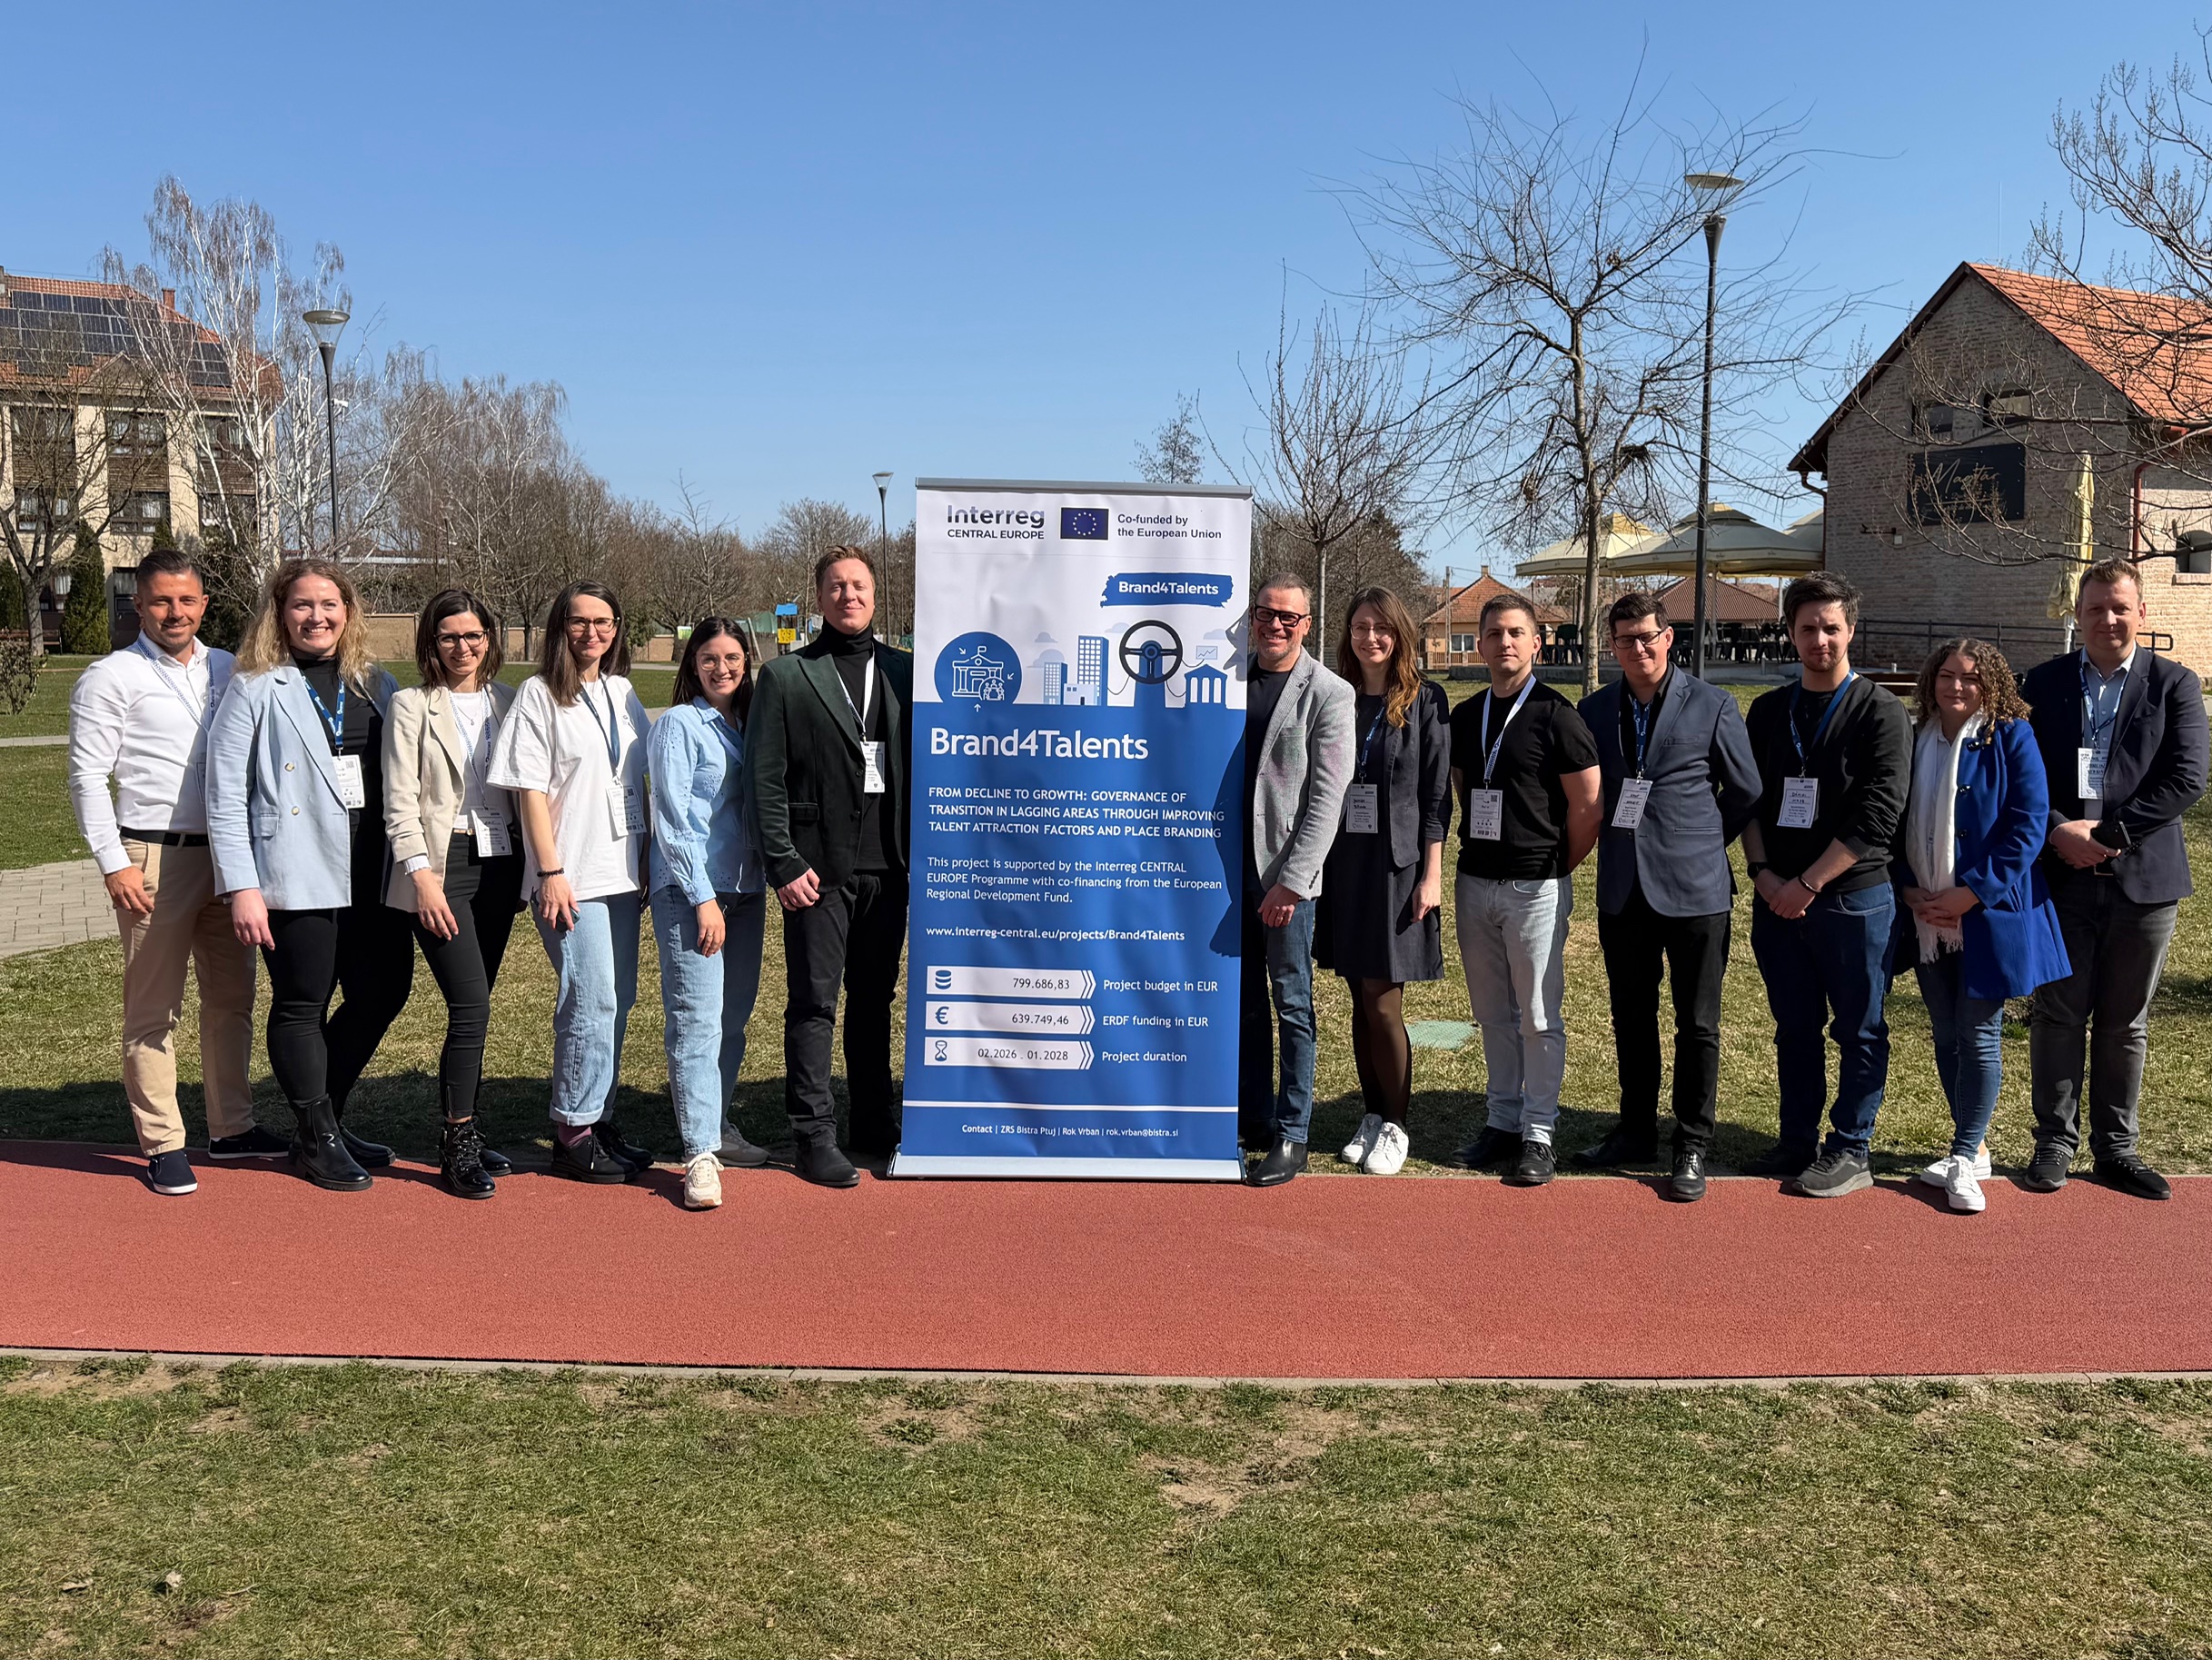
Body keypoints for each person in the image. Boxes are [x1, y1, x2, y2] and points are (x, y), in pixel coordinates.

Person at [204, 559, 411, 1191]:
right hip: (294, 867)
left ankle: (325, 1117)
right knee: (303, 1001)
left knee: (382, 992)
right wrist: (242, 886)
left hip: (371, 868)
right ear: (280, 613)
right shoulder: (254, 685)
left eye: (328, 605)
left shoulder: (376, 683)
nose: (316, 617)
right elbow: (223, 792)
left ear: (348, 612)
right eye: (302, 605)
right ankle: (317, 1136)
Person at [66, 548, 267, 1196]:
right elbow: (87, 777)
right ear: (139, 605)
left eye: (186, 600)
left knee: (232, 1000)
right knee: (155, 1008)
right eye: (160, 600)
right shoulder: (110, 676)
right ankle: (163, 1142)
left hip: (228, 856)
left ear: (204, 604)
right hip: (151, 857)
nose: (174, 612)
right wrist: (114, 862)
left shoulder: (231, 668)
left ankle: (232, 1127)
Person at [2021, 560, 2208, 1200]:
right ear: (2077, 614)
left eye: (2120, 607)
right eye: (2096, 608)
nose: (2108, 619)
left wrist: (2107, 835)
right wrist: (2057, 831)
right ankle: (2053, 1142)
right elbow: (2021, 773)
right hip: (2061, 876)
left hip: (2144, 879)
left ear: (2141, 613)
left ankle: (2115, 1149)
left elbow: (2187, 777)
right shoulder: (2042, 683)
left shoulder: (2174, 683)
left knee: (2125, 1022)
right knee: (2057, 1013)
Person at [1574, 592, 1761, 1202]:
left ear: (1668, 638)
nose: (1637, 648)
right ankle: (1635, 1131)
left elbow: (1745, 790)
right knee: (1631, 1019)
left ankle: (1691, 1142)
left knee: (1697, 1024)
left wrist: (1702, 841)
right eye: (1624, 639)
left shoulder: (1713, 704)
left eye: (1647, 637)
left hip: (1696, 891)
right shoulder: (1594, 710)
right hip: (1622, 889)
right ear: (1611, 646)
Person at [1740, 572, 1911, 1198]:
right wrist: (1763, 875)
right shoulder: (1767, 711)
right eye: (1807, 627)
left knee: (1858, 1029)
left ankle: (1850, 1146)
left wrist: (1807, 884)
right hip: (1776, 898)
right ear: (1789, 632)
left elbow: (1878, 816)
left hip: (1852, 899)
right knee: (1794, 1027)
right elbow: (1748, 800)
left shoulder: (1881, 711)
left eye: (1831, 627)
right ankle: (1795, 1140)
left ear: (1850, 630)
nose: (1820, 640)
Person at [749, 548, 913, 1188]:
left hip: (890, 867)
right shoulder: (786, 676)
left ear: (875, 594)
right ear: (819, 598)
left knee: (874, 1000)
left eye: (859, 585)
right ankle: (813, 1134)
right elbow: (763, 779)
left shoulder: (905, 671)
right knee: (814, 1003)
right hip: (816, 872)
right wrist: (783, 862)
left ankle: (873, 1120)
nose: (849, 596)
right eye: (837, 586)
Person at [1894, 640, 2071, 1214]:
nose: (1957, 686)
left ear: (1990, 685)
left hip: (1988, 912)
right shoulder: (1916, 737)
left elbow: (2028, 824)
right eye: (1947, 674)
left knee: (1979, 1035)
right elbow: (1894, 820)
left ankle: (1964, 1155)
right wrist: (1908, 887)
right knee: (1946, 1034)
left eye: (1971, 678)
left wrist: (1972, 893)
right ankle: (1976, 1148)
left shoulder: (2012, 736)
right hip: (1926, 913)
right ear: (1931, 679)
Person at [487, 580, 654, 1184]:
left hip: (621, 872)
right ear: (561, 627)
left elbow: (635, 780)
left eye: (604, 621)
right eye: (579, 621)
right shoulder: (539, 694)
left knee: (618, 999)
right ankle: (573, 1130)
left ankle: (600, 1117)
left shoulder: (622, 691)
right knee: (589, 998)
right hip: (570, 875)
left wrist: (645, 858)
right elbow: (529, 790)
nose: (592, 632)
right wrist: (550, 871)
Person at [1443, 592, 1601, 1188]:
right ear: (1480, 645)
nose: (1504, 642)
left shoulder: (1557, 715)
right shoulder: (1466, 716)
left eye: (1515, 632)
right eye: (1493, 633)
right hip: (1474, 882)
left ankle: (1538, 1131)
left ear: (1536, 643)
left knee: (1536, 1013)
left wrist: (1556, 866)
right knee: (1491, 1013)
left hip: (1535, 886)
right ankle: (1502, 1120)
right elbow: (1463, 787)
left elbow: (1588, 806)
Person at [382, 590, 524, 1199]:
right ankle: (457, 1139)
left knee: (478, 1002)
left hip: (502, 863)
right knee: (471, 1005)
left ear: (489, 638)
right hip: (443, 867)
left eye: (473, 635)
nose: (462, 647)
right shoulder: (411, 706)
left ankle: (465, 1122)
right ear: (431, 643)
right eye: (449, 637)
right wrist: (421, 877)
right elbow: (399, 803)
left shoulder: (511, 701)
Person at [1318, 587, 1448, 1177]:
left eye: (1381, 628)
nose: (1369, 637)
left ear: (1399, 634)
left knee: (1382, 998)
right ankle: (1370, 1115)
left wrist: (1431, 874)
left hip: (1397, 868)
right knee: (1357, 994)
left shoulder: (1425, 700)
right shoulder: (1337, 697)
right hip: (1344, 862)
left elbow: (1436, 797)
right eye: (1359, 627)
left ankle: (1396, 1124)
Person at [649, 619, 770, 1211]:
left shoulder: (752, 723)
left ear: (747, 660)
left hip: (746, 889)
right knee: (697, 1020)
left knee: (732, 1018)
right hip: (692, 893)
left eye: (732, 657)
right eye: (709, 658)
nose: (722, 668)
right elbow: (673, 820)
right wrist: (701, 900)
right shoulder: (679, 724)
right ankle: (698, 1152)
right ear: (692, 663)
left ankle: (717, 1125)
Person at [1239, 574, 1355, 1187]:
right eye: (1267, 613)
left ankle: (1293, 1134)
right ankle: (1253, 1116)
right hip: (1222, 874)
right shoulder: (1225, 680)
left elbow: (1327, 800)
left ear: (1307, 624)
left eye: (1289, 617)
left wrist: (1293, 881)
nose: (1276, 625)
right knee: (1241, 1002)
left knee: (1291, 1004)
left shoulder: (1330, 693)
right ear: (1252, 617)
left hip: (1284, 880)